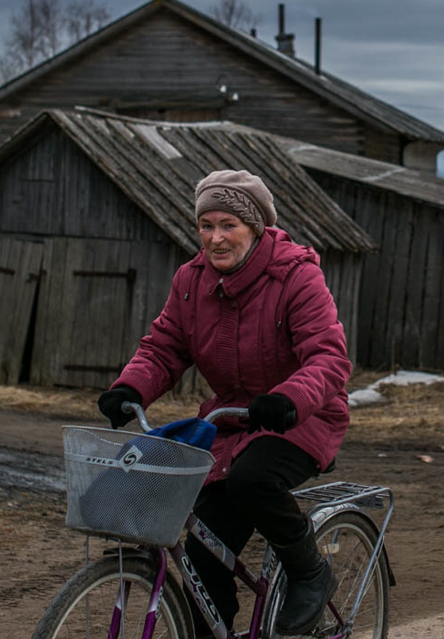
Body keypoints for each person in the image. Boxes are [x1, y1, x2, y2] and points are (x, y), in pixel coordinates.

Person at [97, 169, 352, 637]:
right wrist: (131, 387)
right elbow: (164, 348)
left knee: (252, 479)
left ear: (255, 227)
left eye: (228, 225)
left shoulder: (296, 276)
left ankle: (310, 572)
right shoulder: (191, 280)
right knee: (201, 549)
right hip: (231, 422)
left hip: (300, 415)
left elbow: (328, 358)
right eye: (206, 225)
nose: (215, 238)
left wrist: (288, 398)